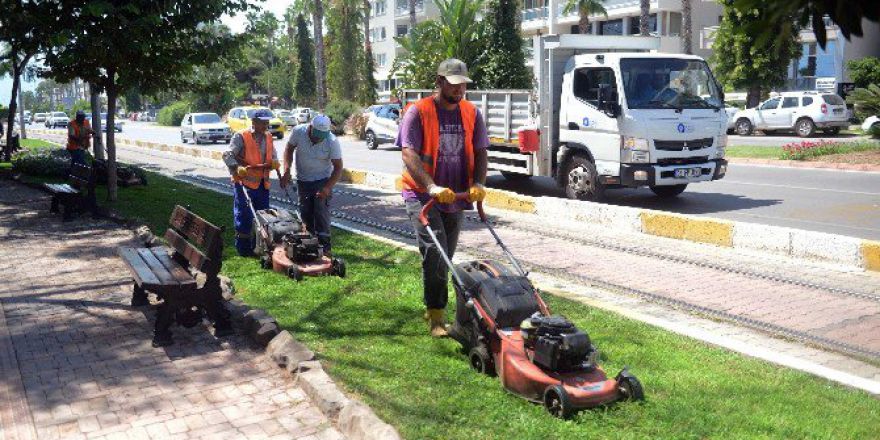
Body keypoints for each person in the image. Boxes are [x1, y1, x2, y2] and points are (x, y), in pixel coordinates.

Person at [398, 58, 489, 338]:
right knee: (435, 253)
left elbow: (482, 150)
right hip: (422, 194)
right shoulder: (419, 112)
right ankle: (436, 315)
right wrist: (431, 186)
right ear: (439, 82)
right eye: (453, 84)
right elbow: (408, 152)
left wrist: (478, 183)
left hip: (456, 195)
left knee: (446, 256)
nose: (459, 90)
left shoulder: (472, 113)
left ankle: (443, 307)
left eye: (462, 85)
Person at [281, 114, 343, 256]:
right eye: (316, 135)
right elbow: (289, 149)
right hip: (303, 181)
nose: (318, 139)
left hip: (322, 180)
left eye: (322, 136)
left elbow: (338, 167)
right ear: (310, 128)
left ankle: (325, 249)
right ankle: (309, 247)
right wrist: (286, 170)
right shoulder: (298, 131)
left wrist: (327, 187)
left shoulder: (332, 141)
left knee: (321, 213)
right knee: (306, 214)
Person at [224, 109, 280, 256]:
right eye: (263, 122)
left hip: (263, 184)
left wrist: (274, 162)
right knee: (245, 216)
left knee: (263, 216)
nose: (265, 125)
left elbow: (272, 155)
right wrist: (237, 168)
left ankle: (261, 246)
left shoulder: (268, 137)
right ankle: (243, 249)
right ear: (254, 122)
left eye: (267, 122)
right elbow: (227, 155)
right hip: (244, 183)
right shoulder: (241, 136)